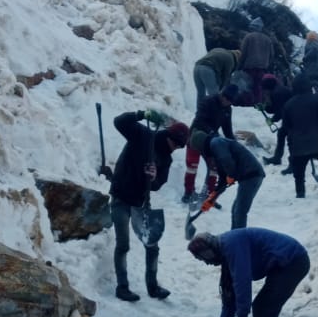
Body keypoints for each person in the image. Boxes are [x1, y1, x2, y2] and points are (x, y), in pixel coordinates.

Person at [109, 110, 189, 301]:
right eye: (175, 143)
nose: (175, 148)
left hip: (140, 202)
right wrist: (141, 114)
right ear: (169, 136)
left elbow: (159, 183)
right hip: (121, 196)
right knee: (123, 244)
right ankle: (122, 287)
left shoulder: (166, 158)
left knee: (152, 246)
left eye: (179, 146)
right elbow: (119, 122)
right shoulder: (143, 135)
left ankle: (153, 287)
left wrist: (153, 178)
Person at [281, 75, 318, 197]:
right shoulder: (316, 100)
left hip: (298, 147)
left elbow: (287, 128)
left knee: (299, 175)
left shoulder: (288, 105)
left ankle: (300, 194)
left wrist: (291, 145)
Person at [197, 132, 265, 228]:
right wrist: (212, 199)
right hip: (248, 176)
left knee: (239, 211)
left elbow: (227, 160)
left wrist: (231, 174)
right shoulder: (216, 151)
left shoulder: (216, 142)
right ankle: (234, 236)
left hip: (252, 174)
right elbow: (223, 179)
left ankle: (239, 239)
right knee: (235, 210)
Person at [184, 88, 235, 203]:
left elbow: (227, 129)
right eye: (226, 99)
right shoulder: (208, 101)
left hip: (211, 141)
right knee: (192, 165)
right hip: (197, 135)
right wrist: (211, 131)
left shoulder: (228, 109)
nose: (227, 103)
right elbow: (199, 120)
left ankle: (210, 194)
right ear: (222, 96)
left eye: (230, 101)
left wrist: (233, 144)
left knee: (214, 167)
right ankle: (188, 192)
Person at [237, 16, 273, 105]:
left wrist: (239, 66)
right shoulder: (268, 39)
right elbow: (272, 54)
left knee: (247, 85)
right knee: (258, 86)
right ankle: (258, 104)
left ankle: (248, 104)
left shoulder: (248, 37)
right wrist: (267, 64)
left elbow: (243, 52)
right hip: (263, 68)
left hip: (249, 66)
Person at [259, 74, 292, 167]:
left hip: (295, 116)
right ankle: (277, 158)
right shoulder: (276, 91)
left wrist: (273, 119)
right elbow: (275, 108)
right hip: (291, 116)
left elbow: (281, 111)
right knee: (281, 134)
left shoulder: (278, 93)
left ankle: (292, 164)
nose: (264, 91)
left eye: (264, 89)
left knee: (292, 139)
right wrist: (265, 107)